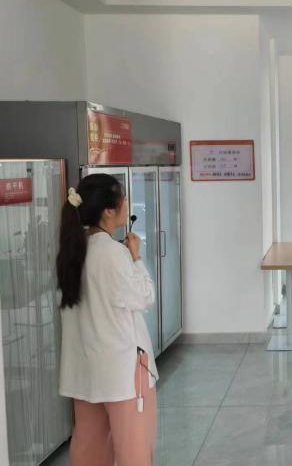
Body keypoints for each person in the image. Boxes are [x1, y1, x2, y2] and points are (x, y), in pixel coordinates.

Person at [57, 174, 158, 466]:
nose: (126, 203)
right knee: (133, 452)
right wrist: (136, 257)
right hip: (122, 372)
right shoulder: (113, 253)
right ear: (108, 211)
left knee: (89, 452)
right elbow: (144, 296)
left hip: (85, 370)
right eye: (123, 198)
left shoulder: (72, 251)